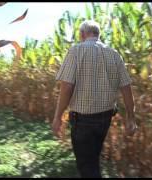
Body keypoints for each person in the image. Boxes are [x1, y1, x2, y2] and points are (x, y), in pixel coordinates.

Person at [52, 20, 137, 178]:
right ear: (98, 34)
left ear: (83, 34)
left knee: (87, 167)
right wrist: (131, 118)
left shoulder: (76, 51)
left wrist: (57, 117)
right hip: (105, 119)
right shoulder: (114, 54)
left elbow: (67, 87)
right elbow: (126, 88)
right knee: (93, 159)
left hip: (82, 120)